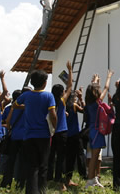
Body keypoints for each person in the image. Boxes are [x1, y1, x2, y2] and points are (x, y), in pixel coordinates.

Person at [15, 69, 57, 194]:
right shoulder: (49, 96)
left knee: (32, 167)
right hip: (44, 135)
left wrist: (26, 106)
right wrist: (54, 127)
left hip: (28, 136)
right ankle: (42, 190)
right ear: (44, 83)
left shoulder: (26, 96)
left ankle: (31, 191)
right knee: (43, 165)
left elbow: (15, 105)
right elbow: (53, 115)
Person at [84, 70, 114, 188]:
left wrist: (96, 81)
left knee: (95, 158)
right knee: (94, 158)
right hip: (97, 132)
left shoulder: (89, 102)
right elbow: (106, 87)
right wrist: (108, 77)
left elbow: (92, 89)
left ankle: (94, 178)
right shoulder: (97, 103)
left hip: (92, 131)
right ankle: (90, 181)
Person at [47, 61, 74, 191]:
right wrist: (70, 70)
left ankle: (48, 178)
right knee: (61, 158)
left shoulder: (50, 101)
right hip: (61, 131)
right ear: (61, 93)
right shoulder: (62, 101)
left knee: (51, 157)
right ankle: (60, 182)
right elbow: (70, 86)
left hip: (51, 132)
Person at [1, 88, 28, 189]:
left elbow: (7, 122)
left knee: (10, 161)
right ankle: (20, 184)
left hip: (14, 136)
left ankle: (5, 183)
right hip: (25, 137)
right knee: (23, 161)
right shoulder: (28, 107)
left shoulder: (14, 106)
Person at [65, 87, 86, 187]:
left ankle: (67, 178)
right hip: (75, 135)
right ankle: (84, 175)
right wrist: (81, 98)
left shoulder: (64, 105)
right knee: (80, 155)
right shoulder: (74, 105)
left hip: (66, 135)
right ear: (73, 98)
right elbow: (84, 110)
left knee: (69, 157)